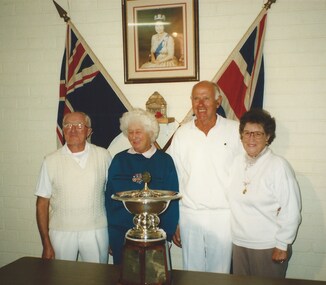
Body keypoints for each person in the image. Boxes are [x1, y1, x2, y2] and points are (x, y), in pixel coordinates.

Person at [169, 81, 243, 273]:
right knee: (191, 272)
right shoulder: (182, 134)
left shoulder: (235, 130)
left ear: (218, 101)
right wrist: (175, 219)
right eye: (196, 98)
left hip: (223, 216)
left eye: (206, 98)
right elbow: (175, 178)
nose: (200, 104)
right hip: (190, 215)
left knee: (220, 273)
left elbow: (246, 172)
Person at [228, 108, 302, 278]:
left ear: (268, 137)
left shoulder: (278, 166)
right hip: (239, 244)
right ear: (241, 136)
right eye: (247, 133)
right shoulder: (236, 163)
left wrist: (282, 244)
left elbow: (291, 209)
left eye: (258, 133)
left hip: (268, 246)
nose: (251, 138)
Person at [35, 111, 111, 264]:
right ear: (63, 130)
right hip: (61, 232)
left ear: (88, 131)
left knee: (96, 278)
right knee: (62, 278)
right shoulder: (50, 161)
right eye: (68, 125)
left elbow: (112, 196)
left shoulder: (103, 156)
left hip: (96, 231)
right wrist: (46, 242)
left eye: (79, 125)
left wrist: (114, 234)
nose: (73, 130)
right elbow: (42, 203)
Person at [105, 108, 179, 265]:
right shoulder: (119, 160)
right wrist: (110, 237)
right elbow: (109, 200)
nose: (133, 137)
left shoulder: (165, 161)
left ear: (150, 133)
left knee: (154, 277)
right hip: (121, 236)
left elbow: (172, 203)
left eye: (138, 132)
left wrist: (168, 235)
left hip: (156, 236)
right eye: (130, 132)